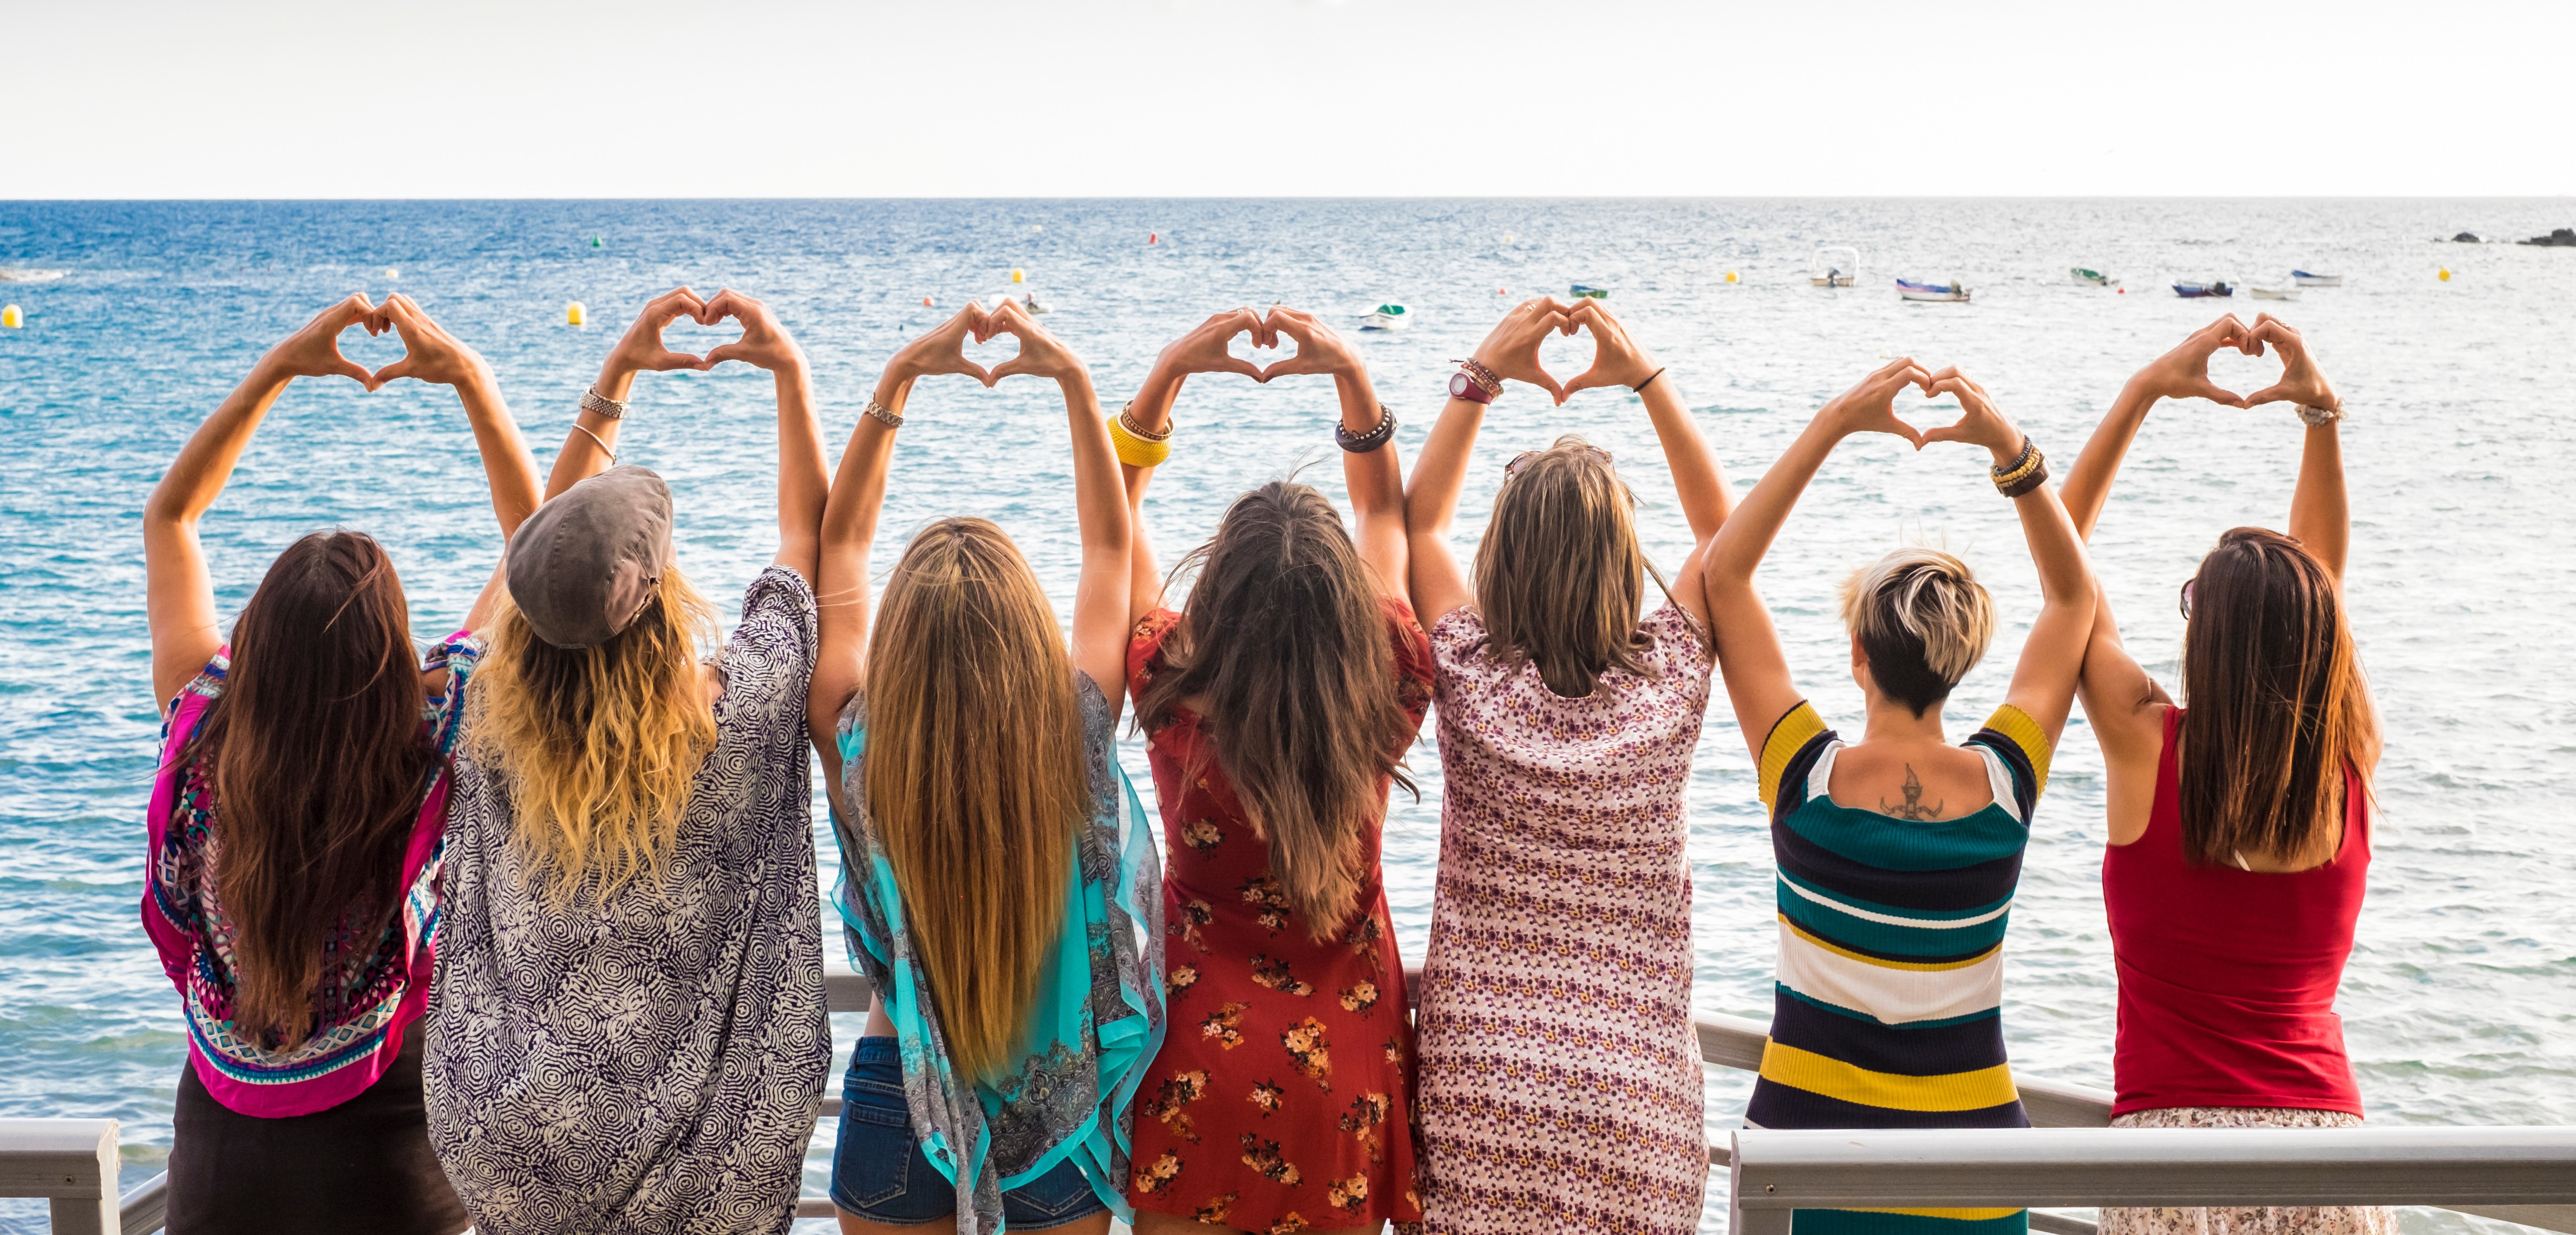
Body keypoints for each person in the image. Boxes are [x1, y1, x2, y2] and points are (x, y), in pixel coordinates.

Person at [424, 287, 832, 1234]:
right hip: (710, 1170)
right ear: (658, 594)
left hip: (515, 1149)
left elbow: (529, 570)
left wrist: (611, 382)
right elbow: (805, 544)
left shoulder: (484, 715)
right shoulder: (744, 708)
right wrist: (788, 372)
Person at [141, 293, 540, 1235]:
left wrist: (283, 365)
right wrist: (473, 384)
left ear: (258, 644)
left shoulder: (203, 732)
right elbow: (536, 552)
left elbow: (171, 517)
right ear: (390, 650)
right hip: (392, 1149)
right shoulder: (435, 734)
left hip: (220, 1156)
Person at [1704, 360, 2097, 1235]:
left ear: (1857, 654)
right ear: (1959, 667)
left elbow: (1723, 573)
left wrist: (1836, 420)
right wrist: (2010, 450)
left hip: (1802, 1171)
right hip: (1977, 1172)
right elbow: (2073, 596)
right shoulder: (2005, 787)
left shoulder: (1802, 777)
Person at [810, 299, 1164, 1235]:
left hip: (896, 1108)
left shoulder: (857, 744)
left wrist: (898, 383)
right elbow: (1107, 548)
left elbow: (837, 550)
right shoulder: (1073, 731)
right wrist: (1073, 383)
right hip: (1051, 1134)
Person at [1403, 297, 1736, 1235]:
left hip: (1482, 1090)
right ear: (1625, 559)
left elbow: (1419, 521)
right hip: (1635, 1102)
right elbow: (1723, 539)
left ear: (1500, 556)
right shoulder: (1667, 681)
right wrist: (1645, 379)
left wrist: (1482, 372)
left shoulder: (1468, 676)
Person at [2057, 316, 2392, 1235]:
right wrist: (2321, 418)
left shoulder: (2142, 745)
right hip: (2327, 1155)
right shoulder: (2340, 768)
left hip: (2171, 1162)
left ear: (2200, 634)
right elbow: (2315, 591)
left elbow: (2063, 569)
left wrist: (2143, 390)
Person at [1117, 306, 1431, 1235]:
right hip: (1340, 1074)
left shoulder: (1168, 688)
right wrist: (1349, 375)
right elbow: (1383, 509)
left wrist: (1170, 369)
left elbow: (1114, 517)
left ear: (1217, 589)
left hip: (1193, 1063)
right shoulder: (1388, 688)